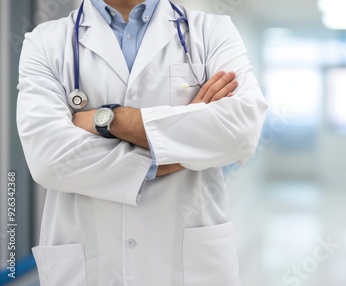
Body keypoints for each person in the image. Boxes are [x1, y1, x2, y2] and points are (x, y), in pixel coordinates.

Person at [16, 0, 268, 285]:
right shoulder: (44, 41)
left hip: (189, 262)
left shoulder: (212, 31)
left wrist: (111, 119)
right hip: (89, 260)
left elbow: (240, 130)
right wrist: (179, 146)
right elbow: (50, 159)